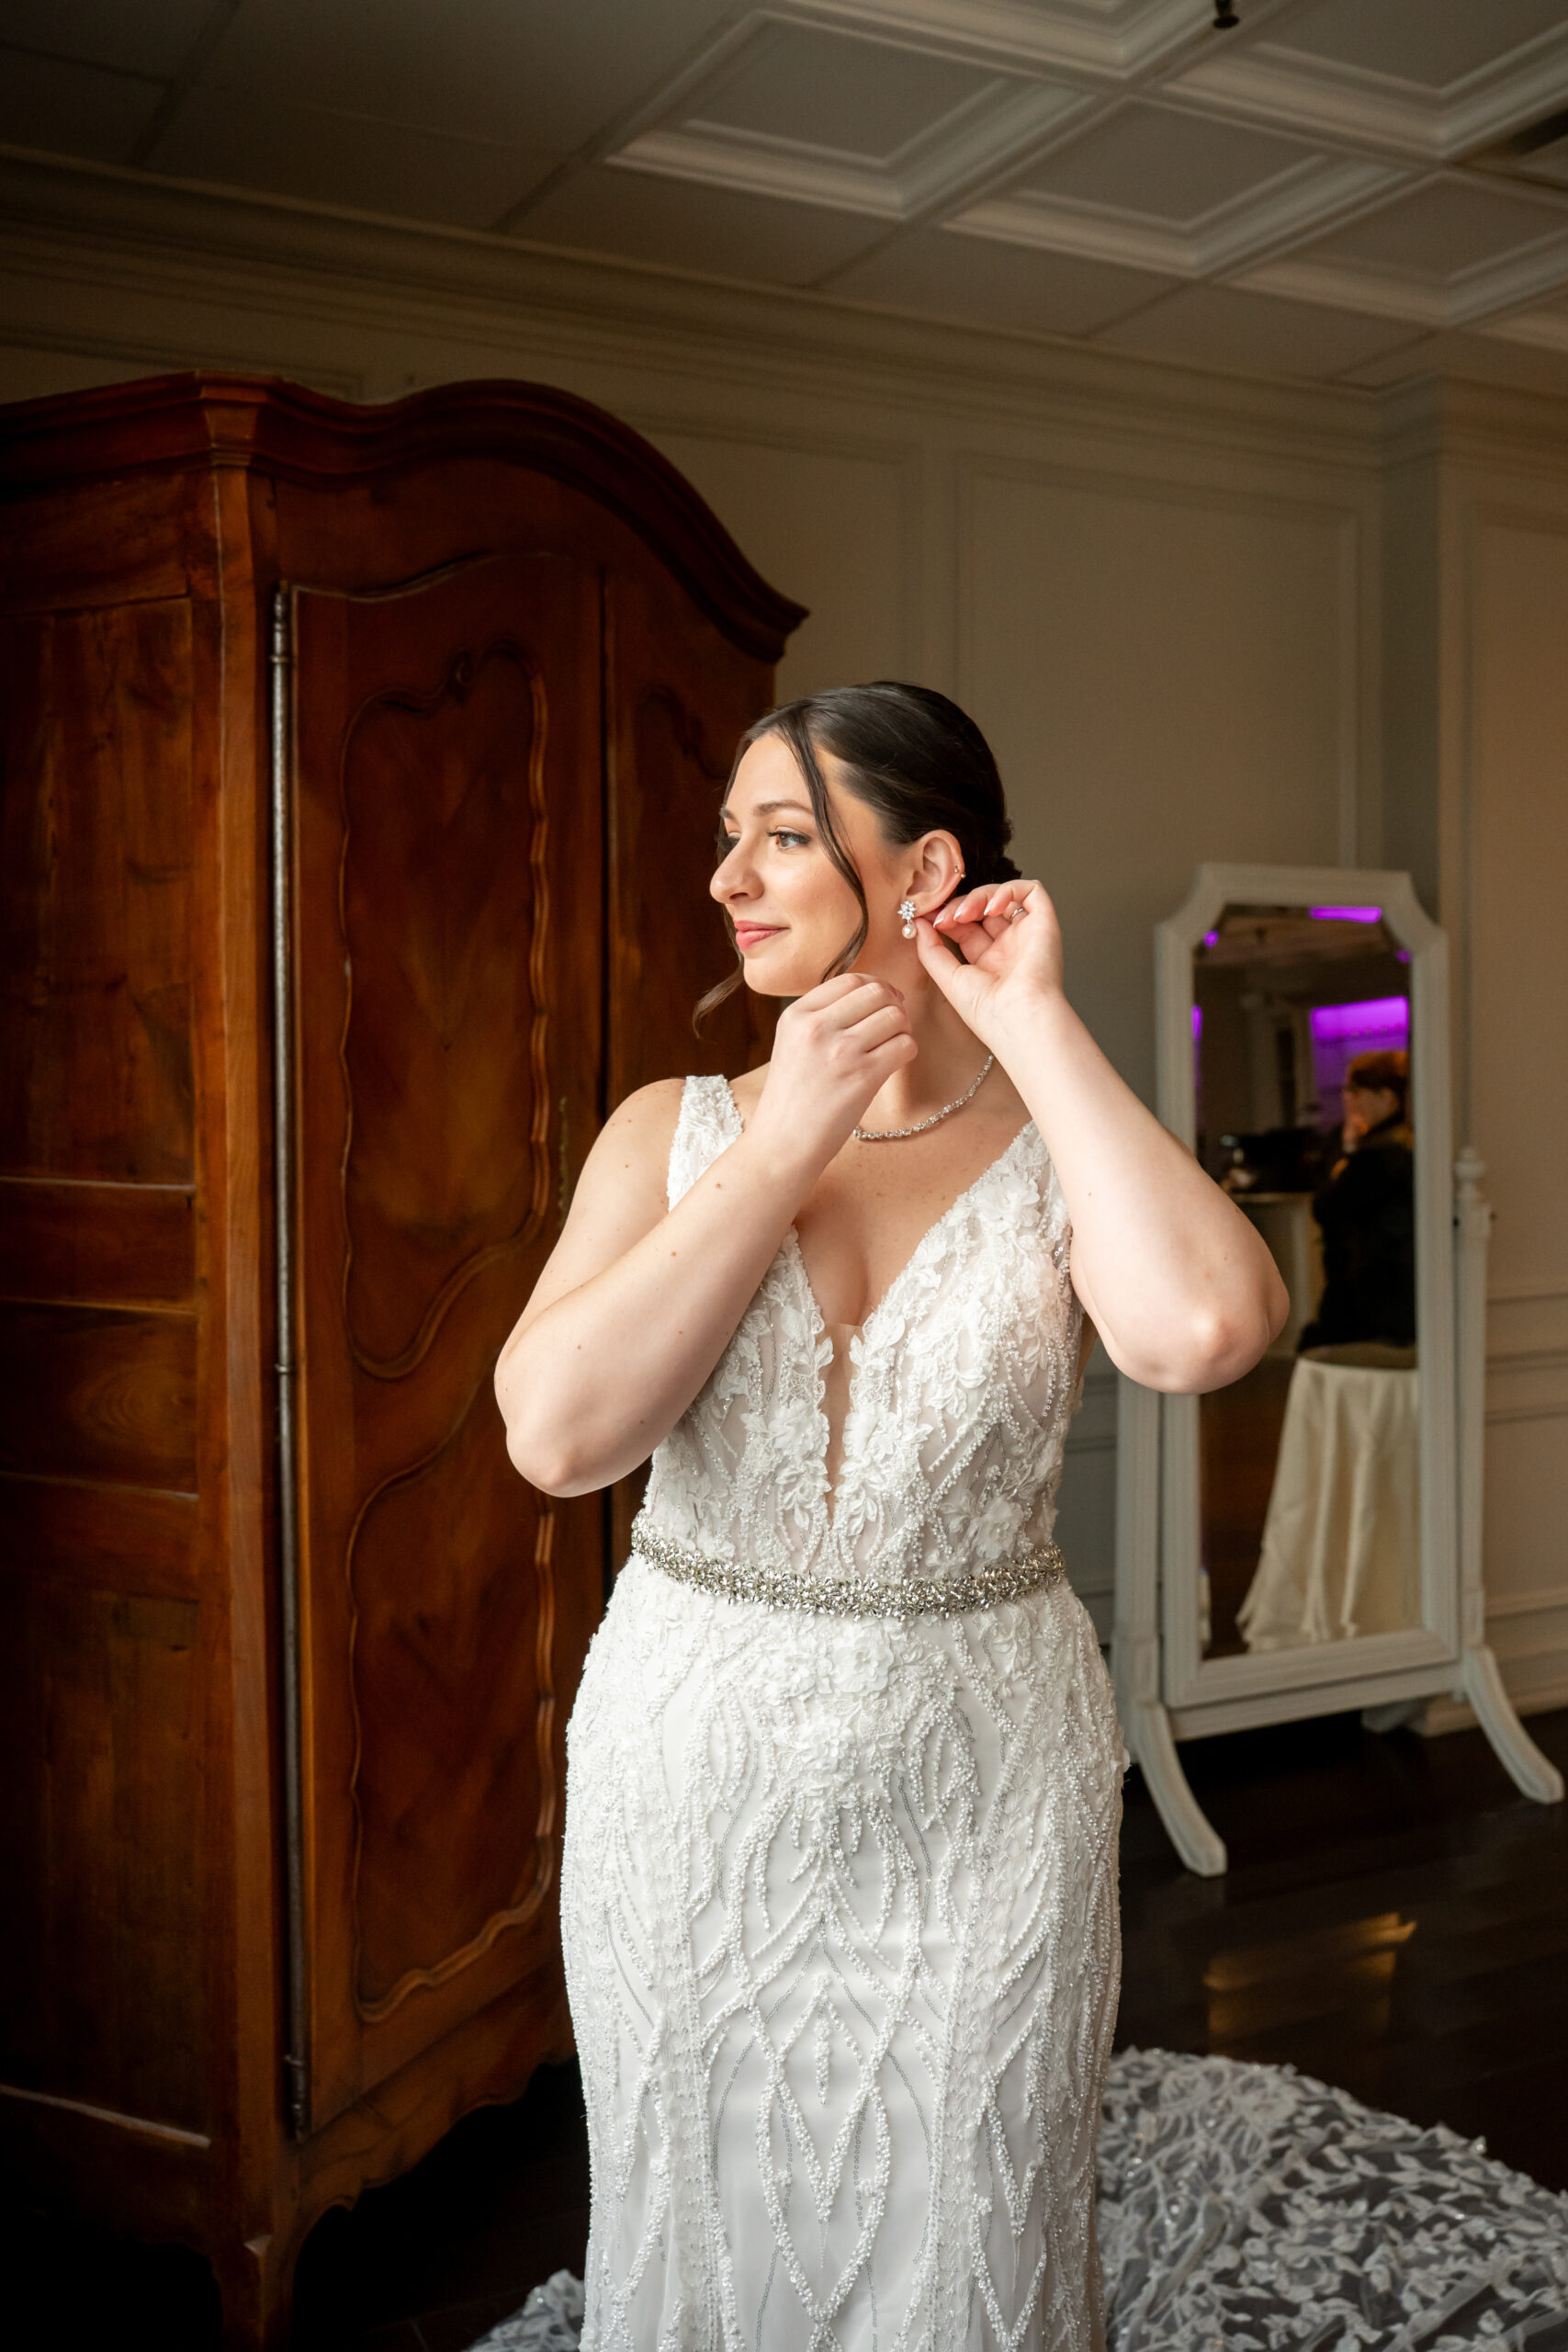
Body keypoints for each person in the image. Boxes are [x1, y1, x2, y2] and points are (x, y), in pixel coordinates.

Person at [494, 683, 1286, 2351]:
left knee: (974, 2224)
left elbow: (1204, 1332)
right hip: (693, 1783)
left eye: (782, 836)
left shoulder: (1059, 1141)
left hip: (985, 1784)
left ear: (923, 870)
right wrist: (782, 1139)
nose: (727, 878)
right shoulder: (671, 1131)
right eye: (730, 837)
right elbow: (557, 1438)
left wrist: (1035, 1026)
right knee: (699, 2211)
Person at [1298, 1048, 1415, 1356]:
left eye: (1357, 1091)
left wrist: (1349, 1152)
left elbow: (1327, 1207)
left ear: (1387, 1097)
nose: (1349, 1100)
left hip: (1372, 1290)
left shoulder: (1380, 1153)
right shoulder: (1403, 1143)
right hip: (1385, 1287)